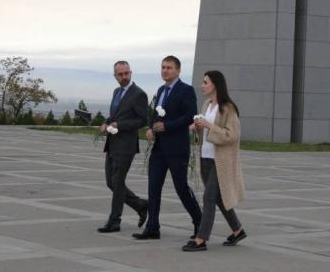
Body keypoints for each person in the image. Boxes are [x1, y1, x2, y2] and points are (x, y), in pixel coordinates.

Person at [133, 55, 202, 240]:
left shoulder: (186, 90)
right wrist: (151, 129)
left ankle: (199, 221)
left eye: (169, 67)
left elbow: (190, 116)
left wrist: (167, 126)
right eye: (163, 67)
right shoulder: (161, 90)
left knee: (181, 188)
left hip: (177, 149)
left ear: (178, 70)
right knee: (153, 188)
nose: (165, 70)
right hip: (159, 149)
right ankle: (152, 227)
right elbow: (156, 115)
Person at [182, 70, 246, 251]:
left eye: (205, 82)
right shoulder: (206, 105)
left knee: (208, 197)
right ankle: (238, 230)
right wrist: (196, 128)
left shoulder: (228, 108)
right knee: (218, 198)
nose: (202, 85)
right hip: (206, 158)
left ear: (215, 85)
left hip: (221, 161)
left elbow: (232, 136)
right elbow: (205, 131)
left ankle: (201, 239)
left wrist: (209, 125)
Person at [97, 61, 149, 233]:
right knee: (110, 183)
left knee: (117, 183)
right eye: (120, 74)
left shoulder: (139, 94)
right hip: (112, 143)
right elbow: (113, 115)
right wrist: (105, 123)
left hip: (126, 145)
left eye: (127, 73)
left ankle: (114, 221)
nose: (124, 77)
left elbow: (143, 120)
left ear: (131, 73)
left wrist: (120, 125)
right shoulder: (117, 91)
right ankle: (141, 205)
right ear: (115, 76)